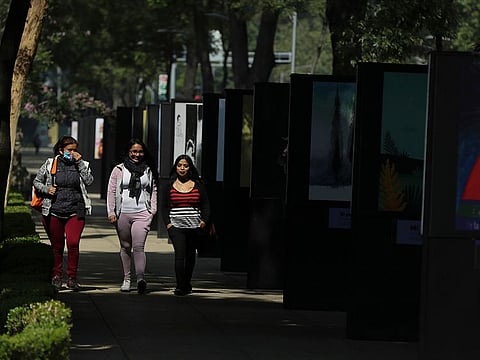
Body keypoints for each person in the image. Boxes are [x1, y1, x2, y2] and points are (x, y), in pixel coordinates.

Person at [33, 135, 94, 291]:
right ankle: (56, 276)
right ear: (61, 150)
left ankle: (72, 278)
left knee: (73, 244)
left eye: (75, 150)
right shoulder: (49, 164)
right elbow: (36, 181)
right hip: (54, 210)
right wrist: (47, 189)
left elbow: (89, 181)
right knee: (57, 246)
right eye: (69, 150)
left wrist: (79, 163)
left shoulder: (82, 164)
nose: (73, 153)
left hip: (75, 210)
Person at [106, 138, 158, 294]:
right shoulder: (119, 169)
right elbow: (111, 191)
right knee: (126, 246)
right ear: (128, 152)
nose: (137, 154)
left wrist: (152, 210)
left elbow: (153, 190)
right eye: (134, 151)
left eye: (140, 151)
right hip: (123, 213)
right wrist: (111, 212)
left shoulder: (148, 170)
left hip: (142, 212)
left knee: (138, 246)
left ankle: (141, 278)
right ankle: (127, 279)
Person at [160, 154, 211, 296]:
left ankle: (187, 282)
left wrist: (204, 221)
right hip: (176, 227)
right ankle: (180, 285)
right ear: (175, 167)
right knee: (180, 255)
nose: (182, 168)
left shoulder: (198, 185)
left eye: (185, 166)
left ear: (190, 168)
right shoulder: (169, 185)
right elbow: (164, 207)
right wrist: (169, 225)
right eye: (179, 165)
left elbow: (206, 205)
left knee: (190, 256)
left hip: (194, 227)